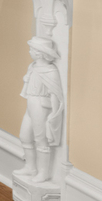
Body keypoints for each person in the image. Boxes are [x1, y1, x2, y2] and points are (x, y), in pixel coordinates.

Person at [16, 36, 66, 186]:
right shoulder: (33, 67)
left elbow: (55, 94)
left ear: (40, 53)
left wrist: (53, 113)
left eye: (33, 49)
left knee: (40, 138)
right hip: (31, 102)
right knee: (24, 136)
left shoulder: (50, 71)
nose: (30, 51)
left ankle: (43, 172)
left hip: (41, 105)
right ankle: (30, 167)